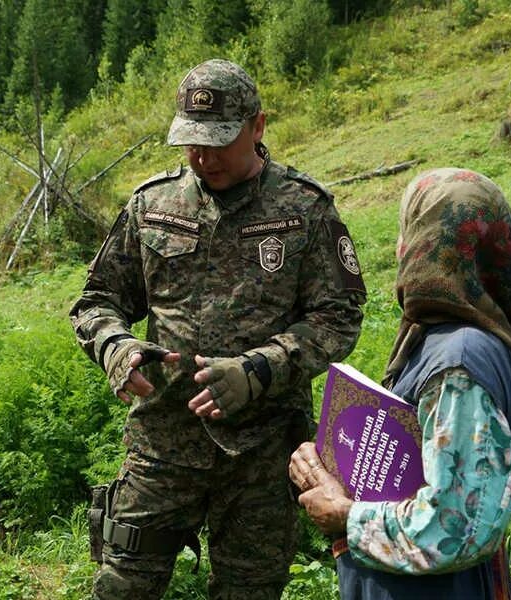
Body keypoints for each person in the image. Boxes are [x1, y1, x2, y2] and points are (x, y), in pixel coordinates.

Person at [69, 58, 366, 600]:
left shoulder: (305, 210)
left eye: (218, 141)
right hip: (162, 446)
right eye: (191, 142)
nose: (203, 157)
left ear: (258, 126)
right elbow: (97, 302)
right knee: (121, 587)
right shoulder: (152, 205)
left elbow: (339, 316)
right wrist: (116, 347)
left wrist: (262, 368)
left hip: (264, 455)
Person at [289, 168, 511, 599]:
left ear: (426, 246)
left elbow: (457, 527)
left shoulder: (458, 364)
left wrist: (344, 513)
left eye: (407, 231)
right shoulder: (460, 341)